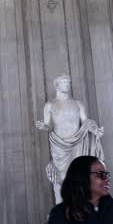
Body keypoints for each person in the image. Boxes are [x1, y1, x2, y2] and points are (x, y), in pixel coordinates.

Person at [36, 74, 104, 203]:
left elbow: (86, 122)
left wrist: (96, 131)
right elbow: (49, 125)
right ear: (57, 85)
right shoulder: (50, 105)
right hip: (59, 145)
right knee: (61, 177)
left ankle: (81, 207)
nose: (67, 84)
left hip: (78, 142)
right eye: (64, 82)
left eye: (68, 82)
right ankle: (62, 208)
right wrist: (44, 126)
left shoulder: (77, 104)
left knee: (79, 175)